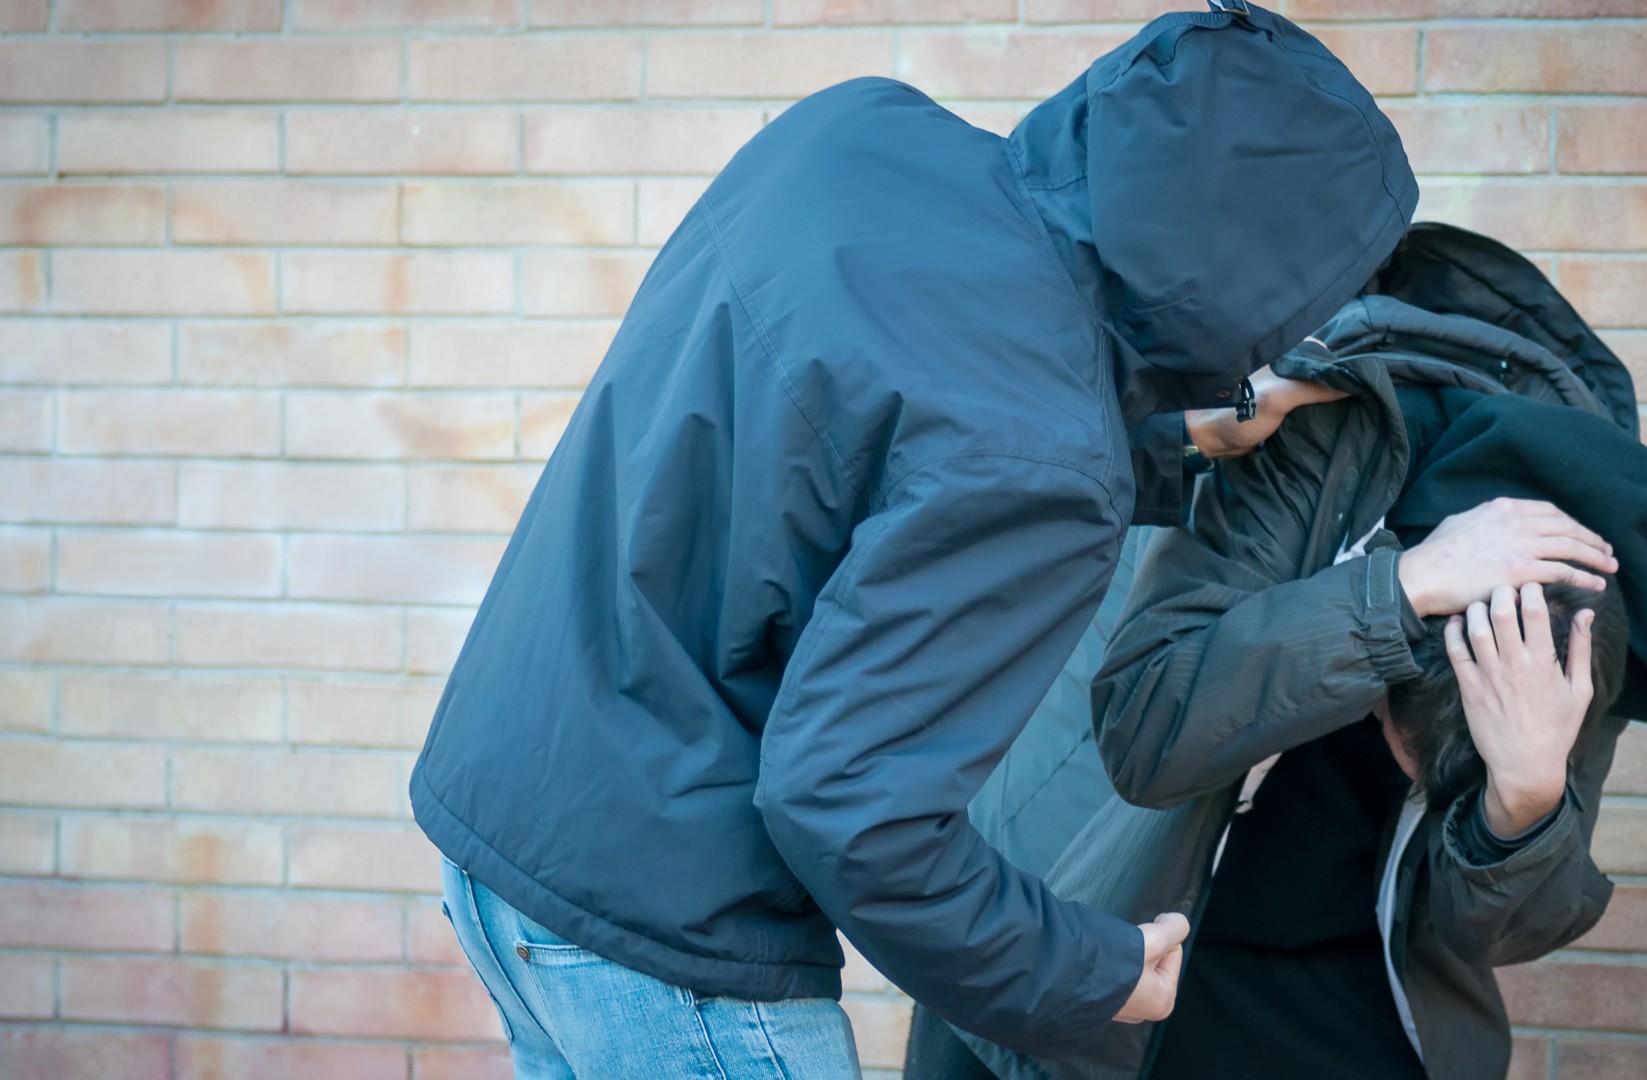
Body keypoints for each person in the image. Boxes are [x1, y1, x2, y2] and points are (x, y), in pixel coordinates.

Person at [408, 3, 1432, 1076]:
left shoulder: (855, 128)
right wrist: (1093, 973)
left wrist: (1172, 439)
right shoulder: (1043, 455)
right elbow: (852, 808)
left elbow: (884, 438)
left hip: (505, 835)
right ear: (1265, 265)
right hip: (669, 937)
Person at [911, 224, 1647, 1080]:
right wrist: (1394, 595)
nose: (1410, 778)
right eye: (1408, 750)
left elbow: (1502, 928)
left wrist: (1525, 802)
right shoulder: (1303, 430)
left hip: (1348, 967)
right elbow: (1147, 730)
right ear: (1386, 691)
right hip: (1097, 873)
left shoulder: (1579, 600)